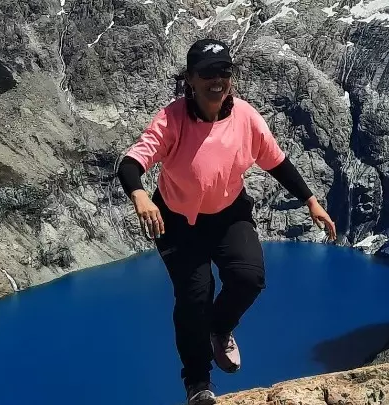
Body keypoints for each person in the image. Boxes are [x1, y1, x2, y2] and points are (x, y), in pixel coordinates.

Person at [116, 38, 337, 405]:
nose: (216, 80)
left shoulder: (245, 117)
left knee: (249, 278)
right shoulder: (172, 120)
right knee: (195, 297)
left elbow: (276, 161)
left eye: (223, 71)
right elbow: (131, 162)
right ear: (190, 79)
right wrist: (139, 194)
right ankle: (198, 382)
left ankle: (219, 329)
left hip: (229, 214)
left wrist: (311, 201)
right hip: (178, 222)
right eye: (207, 73)